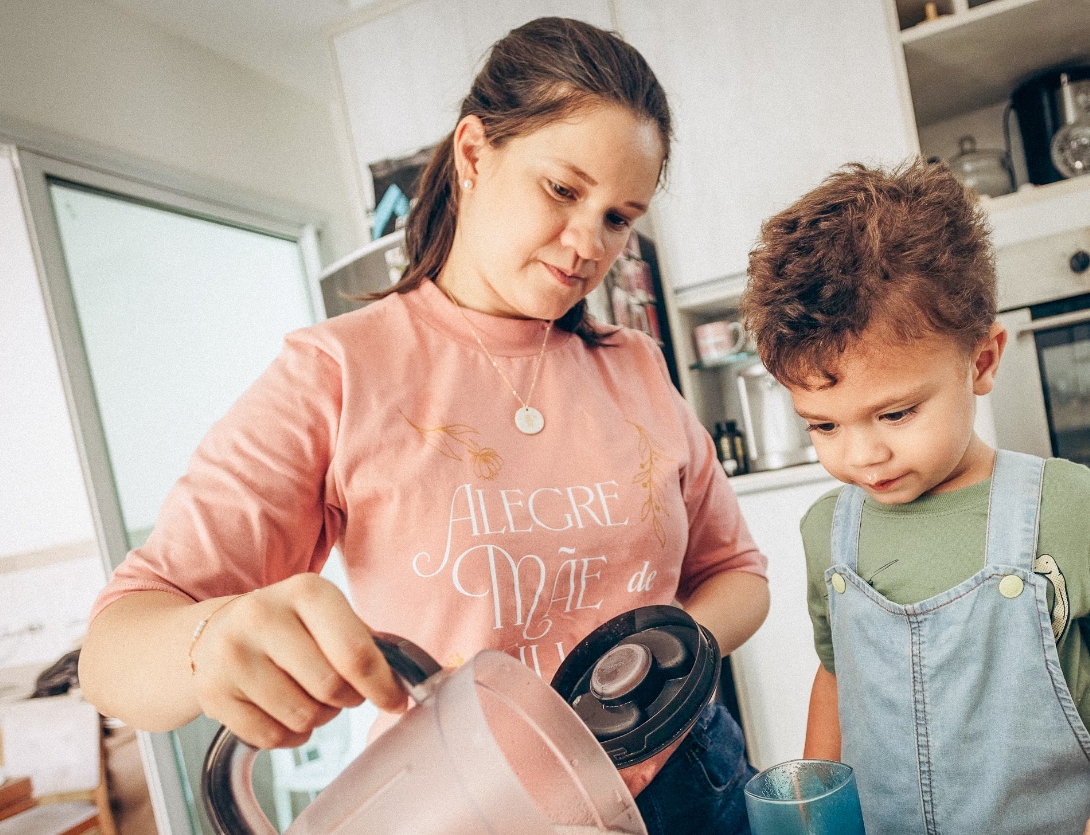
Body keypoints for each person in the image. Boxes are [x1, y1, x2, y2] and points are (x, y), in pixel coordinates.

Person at [78, 17, 770, 835]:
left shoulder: (636, 365)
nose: (589, 243)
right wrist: (212, 636)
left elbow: (738, 573)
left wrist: (653, 664)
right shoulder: (339, 373)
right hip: (480, 808)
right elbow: (112, 651)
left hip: (695, 781)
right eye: (562, 189)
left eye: (620, 217)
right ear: (474, 154)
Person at [740, 158, 1090, 834]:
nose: (862, 454)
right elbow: (836, 677)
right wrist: (815, 810)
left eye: (896, 413)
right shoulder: (828, 532)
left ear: (982, 361)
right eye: (824, 424)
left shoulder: (1068, 507)